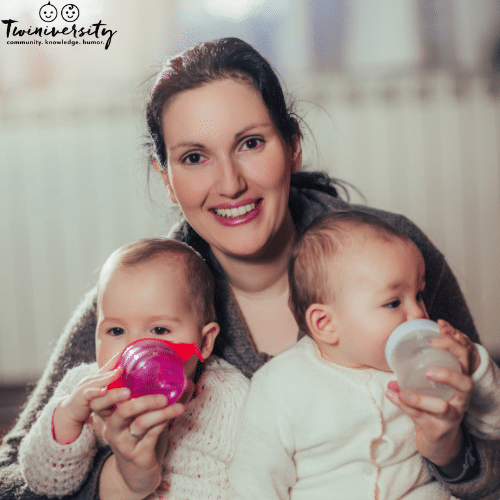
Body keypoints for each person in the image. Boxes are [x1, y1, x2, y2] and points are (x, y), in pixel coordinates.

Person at [1, 37, 499, 499]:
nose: (230, 183)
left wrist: (449, 454)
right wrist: (121, 478)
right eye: (194, 157)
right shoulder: (142, 301)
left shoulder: (394, 257)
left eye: (251, 143)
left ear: (292, 146)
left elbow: (491, 438)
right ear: (167, 179)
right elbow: (11, 475)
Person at [230, 210, 500, 499]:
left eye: (418, 295)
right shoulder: (280, 386)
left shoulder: (423, 366)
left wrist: (473, 365)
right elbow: (254, 483)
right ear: (326, 324)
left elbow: (493, 425)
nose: (419, 313)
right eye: (394, 302)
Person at [18, 238, 249, 499]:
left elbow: (265, 473)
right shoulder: (85, 391)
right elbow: (45, 483)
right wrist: (69, 420)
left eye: (159, 330)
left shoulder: (229, 397)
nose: (134, 346)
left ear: (205, 341)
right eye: (116, 330)